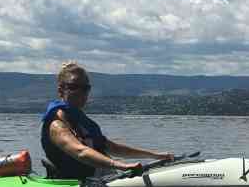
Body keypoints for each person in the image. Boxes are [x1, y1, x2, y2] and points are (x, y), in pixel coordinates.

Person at [41, 62, 174, 179]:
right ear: (61, 90)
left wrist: (155, 155)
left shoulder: (81, 122)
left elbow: (112, 147)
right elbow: (80, 151)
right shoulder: (56, 125)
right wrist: (118, 164)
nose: (81, 92)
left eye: (86, 88)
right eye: (74, 87)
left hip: (101, 179)